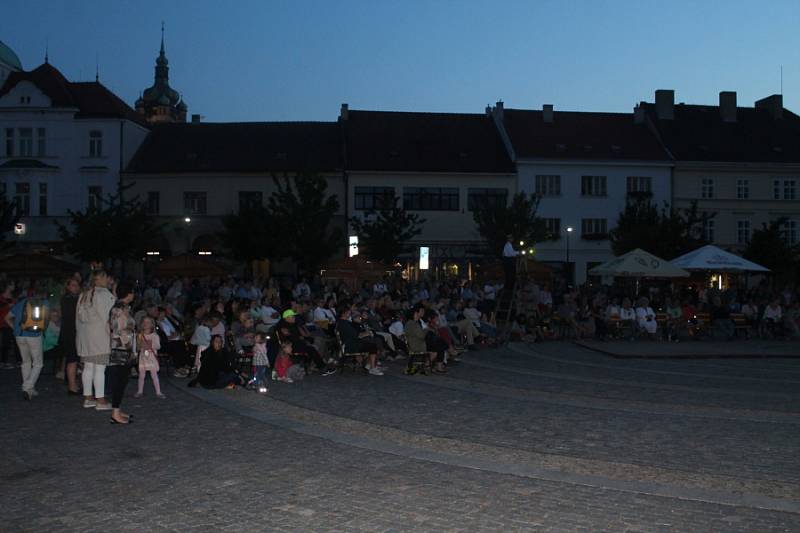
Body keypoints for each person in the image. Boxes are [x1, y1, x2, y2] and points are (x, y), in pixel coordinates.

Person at [76, 268, 116, 411]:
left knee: (88, 367)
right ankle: (101, 400)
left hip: (85, 336)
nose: (108, 280)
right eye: (105, 277)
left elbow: (78, 319)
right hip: (99, 336)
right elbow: (110, 316)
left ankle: (88, 398)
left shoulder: (83, 295)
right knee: (99, 368)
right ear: (98, 279)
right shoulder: (104, 294)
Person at [5, 289, 49, 400]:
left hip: (19, 335)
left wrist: (15, 328)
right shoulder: (45, 302)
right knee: (38, 363)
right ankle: (27, 386)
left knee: (26, 362)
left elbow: (7, 317)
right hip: (34, 335)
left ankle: (29, 390)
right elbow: (47, 320)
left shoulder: (22, 302)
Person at [108, 284, 136, 424]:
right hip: (122, 349)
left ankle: (117, 410)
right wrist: (130, 347)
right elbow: (120, 331)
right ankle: (115, 412)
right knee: (120, 380)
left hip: (121, 348)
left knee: (122, 380)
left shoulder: (119, 307)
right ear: (129, 294)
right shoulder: (120, 309)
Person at [59, 277, 82, 394]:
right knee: (72, 359)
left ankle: (73, 384)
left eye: (77, 285)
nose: (76, 287)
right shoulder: (68, 299)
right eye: (73, 285)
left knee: (73, 359)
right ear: (68, 287)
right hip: (70, 332)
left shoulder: (72, 298)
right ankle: (72, 386)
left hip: (72, 332)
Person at [135, 317, 165, 399]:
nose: (146, 324)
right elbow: (137, 347)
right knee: (141, 375)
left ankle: (158, 392)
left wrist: (150, 344)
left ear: (152, 324)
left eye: (148, 322)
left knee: (154, 375)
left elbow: (158, 346)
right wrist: (140, 345)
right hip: (143, 357)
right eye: (144, 322)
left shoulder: (154, 335)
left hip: (151, 357)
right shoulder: (140, 335)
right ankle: (139, 391)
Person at [0, 280, 17, 370]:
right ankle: (3, 362)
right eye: (12, 284)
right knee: (5, 343)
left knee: (13, 341)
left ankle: (9, 361)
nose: (14, 286)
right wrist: (8, 306)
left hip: (12, 322)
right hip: (3, 323)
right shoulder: (1, 298)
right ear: (8, 286)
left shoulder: (13, 297)